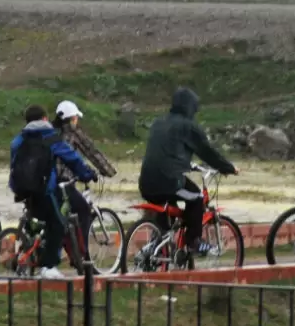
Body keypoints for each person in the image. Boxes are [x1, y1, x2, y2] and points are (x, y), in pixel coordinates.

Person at [138, 88, 237, 256]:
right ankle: (194, 242)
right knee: (197, 198)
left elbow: (166, 152)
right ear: (190, 107)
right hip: (168, 181)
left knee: (168, 211)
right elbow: (207, 152)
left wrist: (187, 164)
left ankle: (158, 245)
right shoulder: (188, 126)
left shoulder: (158, 123)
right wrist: (228, 168)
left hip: (146, 183)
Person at [9, 105, 97, 279]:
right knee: (57, 223)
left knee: (38, 218)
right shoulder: (51, 138)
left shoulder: (17, 141)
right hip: (44, 190)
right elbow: (72, 159)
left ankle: (31, 245)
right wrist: (86, 174)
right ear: (44, 119)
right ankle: (48, 266)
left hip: (21, 189)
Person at [52, 100, 117, 253]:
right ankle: (83, 253)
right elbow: (92, 152)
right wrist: (108, 171)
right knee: (84, 211)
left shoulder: (52, 133)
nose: (77, 121)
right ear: (72, 119)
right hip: (64, 183)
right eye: (76, 118)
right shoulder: (73, 133)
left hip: (48, 181)